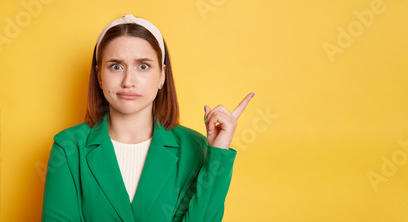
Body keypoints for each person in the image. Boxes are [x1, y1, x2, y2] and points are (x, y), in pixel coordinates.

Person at [41, 14, 254, 222]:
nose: (128, 81)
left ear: (161, 75)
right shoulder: (68, 147)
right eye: (116, 66)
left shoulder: (195, 147)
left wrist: (218, 154)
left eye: (143, 66)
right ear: (99, 76)